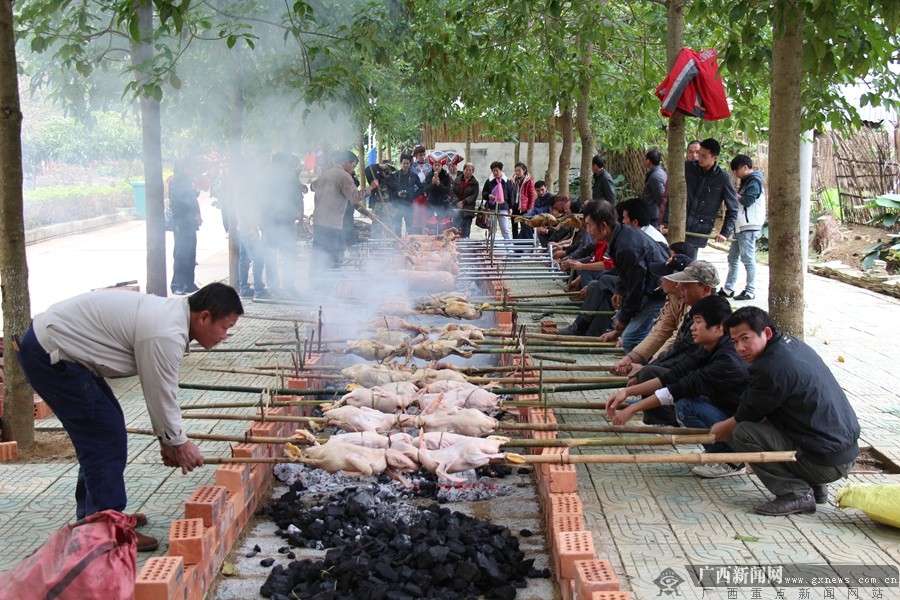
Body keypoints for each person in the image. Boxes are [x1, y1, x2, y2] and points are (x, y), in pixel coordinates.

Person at [14, 283, 244, 551]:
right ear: (204, 317)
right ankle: (106, 532)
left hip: (61, 349)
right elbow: (160, 392)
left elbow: (159, 394)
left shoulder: (171, 319)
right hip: (50, 353)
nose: (225, 336)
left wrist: (168, 441)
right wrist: (178, 443)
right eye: (225, 328)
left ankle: (95, 519)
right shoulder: (166, 332)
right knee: (104, 437)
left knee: (104, 430)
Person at [710, 307, 860, 515]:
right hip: (846, 452)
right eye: (734, 342)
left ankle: (795, 494)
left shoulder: (770, 367)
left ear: (767, 333)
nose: (740, 348)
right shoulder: (792, 344)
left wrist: (724, 428)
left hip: (826, 463)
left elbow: (747, 414)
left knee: (744, 432)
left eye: (746, 338)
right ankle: (815, 486)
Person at [607, 296, 749, 476]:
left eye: (698, 322)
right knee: (663, 380)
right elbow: (674, 375)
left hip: (742, 423)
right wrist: (626, 392)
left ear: (719, 327)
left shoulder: (727, 360)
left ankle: (731, 460)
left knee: (686, 405)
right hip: (723, 407)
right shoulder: (709, 347)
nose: (692, 328)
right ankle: (721, 451)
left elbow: (678, 389)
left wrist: (633, 408)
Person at [624, 260, 719, 425]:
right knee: (651, 372)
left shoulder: (712, 316)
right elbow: (674, 343)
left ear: (705, 290)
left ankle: (671, 417)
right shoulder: (691, 308)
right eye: (680, 284)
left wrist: (645, 371)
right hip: (692, 371)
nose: (680, 288)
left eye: (686, 286)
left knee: (652, 374)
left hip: (709, 387)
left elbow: (685, 354)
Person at [582, 200, 668, 351]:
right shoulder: (619, 236)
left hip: (659, 292)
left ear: (603, 225)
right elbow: (624, 270)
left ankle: (643, 370)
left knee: (631, 339)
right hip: (647, 288)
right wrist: (619, 290)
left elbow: (637, 285)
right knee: (627, 331)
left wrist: (624, 317)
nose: (588, 230)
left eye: (589, 225)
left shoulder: (626, 245)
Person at [612, 254, 693, 374]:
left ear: (677, 283)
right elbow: (661, 331)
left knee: (648, 375)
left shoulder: (693, 305)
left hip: (688, 359)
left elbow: (676, 338)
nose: (660, 279)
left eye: (664, 277)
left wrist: (650, 366)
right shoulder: (673, 297)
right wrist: (631, 358)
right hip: (676, 353)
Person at [310, 151, 378, 278]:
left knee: (318, 254)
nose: (353, 170)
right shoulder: (344, 176)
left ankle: (315, 284)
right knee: (333, 257)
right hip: (332, 223)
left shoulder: (325, 173)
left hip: (319, 221)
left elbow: (313, 186)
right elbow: (354, 197)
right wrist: (370, 188)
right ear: (347, 162)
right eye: (353, 166)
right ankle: (330, 287)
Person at [681, 138, 738, 260]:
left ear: (715, 158)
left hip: (698, 229)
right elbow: (672, 197)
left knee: (689, 267)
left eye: (704, 156)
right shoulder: (687, 168)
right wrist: (665, 222)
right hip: (679, 224)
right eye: (699, 154)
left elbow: (733, 208)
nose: (699, 157)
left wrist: (725, 232)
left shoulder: (723, 178)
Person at [719, 154, 766, 301]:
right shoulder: (748, 181)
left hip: (749, 227)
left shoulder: (754, 182)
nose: (735, 174)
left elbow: (747, 200)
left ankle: (750, 290)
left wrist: (732, 193)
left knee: (748, 259)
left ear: (745, 167)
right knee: (732, 257)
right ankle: (728, 288)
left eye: (736, 170)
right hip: (741, 227)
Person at [265, 152, 308, 298]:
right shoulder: (269, 178)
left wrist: (300, 215)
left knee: (289, 253)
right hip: (272, 222)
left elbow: (297, 195)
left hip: (285, 222)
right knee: (273, 255)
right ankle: (277, 287)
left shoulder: (291, 177)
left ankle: (287, 286)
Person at [169, 157, 202, 295]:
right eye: (190, 167)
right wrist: (194, 213)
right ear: (185, 168)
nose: (193, 169)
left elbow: (192, 198)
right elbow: (183, 200)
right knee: (181, 253)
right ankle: (177, 284)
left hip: (189, 222)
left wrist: (197, 213)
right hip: (181, 220)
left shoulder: (187, 180)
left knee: (190, 253)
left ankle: (189, 283)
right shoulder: (177, 180)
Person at [386, 153, 420, 235]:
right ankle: (398, 244)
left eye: (407, 163)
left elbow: (421, 187)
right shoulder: (395, 176)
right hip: (398, 204)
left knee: (409, 227)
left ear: (410, 164)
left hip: (409, 204)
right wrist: (397, 194)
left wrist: (414, 195)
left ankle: (409, 244)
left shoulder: (413, 175)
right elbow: (390, 190)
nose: (406, 165)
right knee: (397, 226)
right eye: (404, 163)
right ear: (400, 163)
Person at [481, 161, 515, 240]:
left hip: (503, 207)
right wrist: (488, 196)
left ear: (501, 170)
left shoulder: (507, 182)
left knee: (505, 229)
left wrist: (510, 207)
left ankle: (508, 249)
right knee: (492, 229)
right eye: (493, 171)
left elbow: (511, 195)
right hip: (492, 207)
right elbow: (484, 193)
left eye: (497, 170)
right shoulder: (489, 181)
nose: (495, 172)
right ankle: (492, 247)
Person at [423, 159, 453, 233]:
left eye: (438, 165)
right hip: (431, 203)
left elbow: (447, 190)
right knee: (430, 228)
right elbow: (426, 189)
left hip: (443, 203)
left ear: (442, 166)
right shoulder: (429, 175)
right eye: (435, 165)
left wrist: (439, 184)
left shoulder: (446, 176)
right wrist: (432, 184)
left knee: (443, 228)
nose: (436, 167)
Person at [452, 162, 479, 238]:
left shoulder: (475, 183)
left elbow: (474, 196)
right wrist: (457, 202)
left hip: (468, 209)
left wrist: (464, 202)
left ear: (472, 172)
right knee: (454, 227)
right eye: (466, 170)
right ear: (463, 170)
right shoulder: (457, 180)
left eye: (470, 170)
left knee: (466, 229)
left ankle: (466, 245)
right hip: (457, 207)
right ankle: (454, 244)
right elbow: (452, 192)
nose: (468, 172)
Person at [641, 149, 667, 227]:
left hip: (653, 216)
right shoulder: (659, 172)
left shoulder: (655, 176)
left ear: (648, 161)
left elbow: (661, 198)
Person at [513, 162, 536, 240]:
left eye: (519, 171)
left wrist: (530, 207)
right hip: (515, 206)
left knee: (525, 226)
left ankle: (527, 242)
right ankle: (515, 243)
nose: (517, 172)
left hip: (524, 207)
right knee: (514, 226)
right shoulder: (514, 180)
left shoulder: (529, 181)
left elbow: (532, 195)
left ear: (524, 170)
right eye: (516, 171)